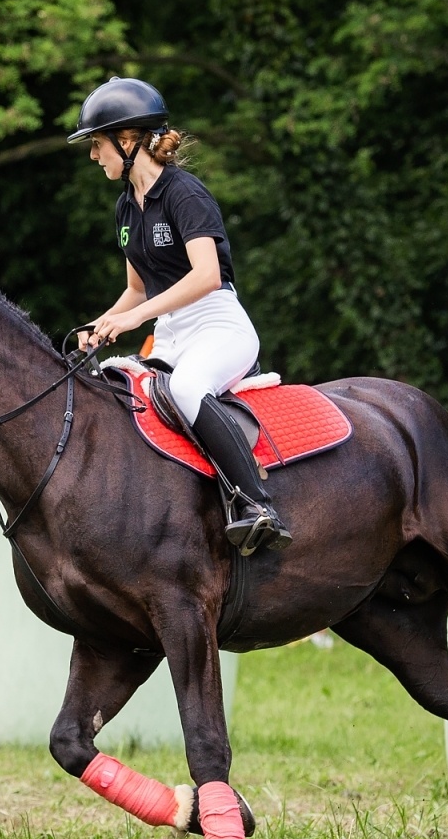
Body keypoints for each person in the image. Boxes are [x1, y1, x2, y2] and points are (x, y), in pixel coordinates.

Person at [70, 77, 291, 552]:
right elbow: (135, 289)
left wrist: (134, 320)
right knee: (116, 388)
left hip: (217, 323)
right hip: (171, 332)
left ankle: (257, 505)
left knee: (188, 388)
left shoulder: (184, 194)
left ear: (127, 141)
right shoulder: (126, 207)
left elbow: (206, 276)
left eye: (97, 144)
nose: (94, 156)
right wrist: (101, 323)